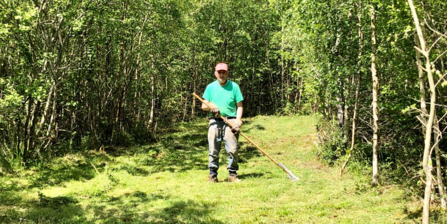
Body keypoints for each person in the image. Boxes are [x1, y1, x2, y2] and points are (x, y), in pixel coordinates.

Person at [201, 62, 244, 183]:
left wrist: (238, 120)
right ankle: (212, 175)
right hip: (214, 120)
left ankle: (232, 174)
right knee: (213, 149)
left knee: (233, 149)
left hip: (230, 120)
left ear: (227, 73)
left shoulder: (234, 87)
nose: (221, 74)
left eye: (223, 72)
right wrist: (210, 105)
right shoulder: (210, 87)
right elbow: (203, 106)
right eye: (219, 72)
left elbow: (239, 106)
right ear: (215, 73)